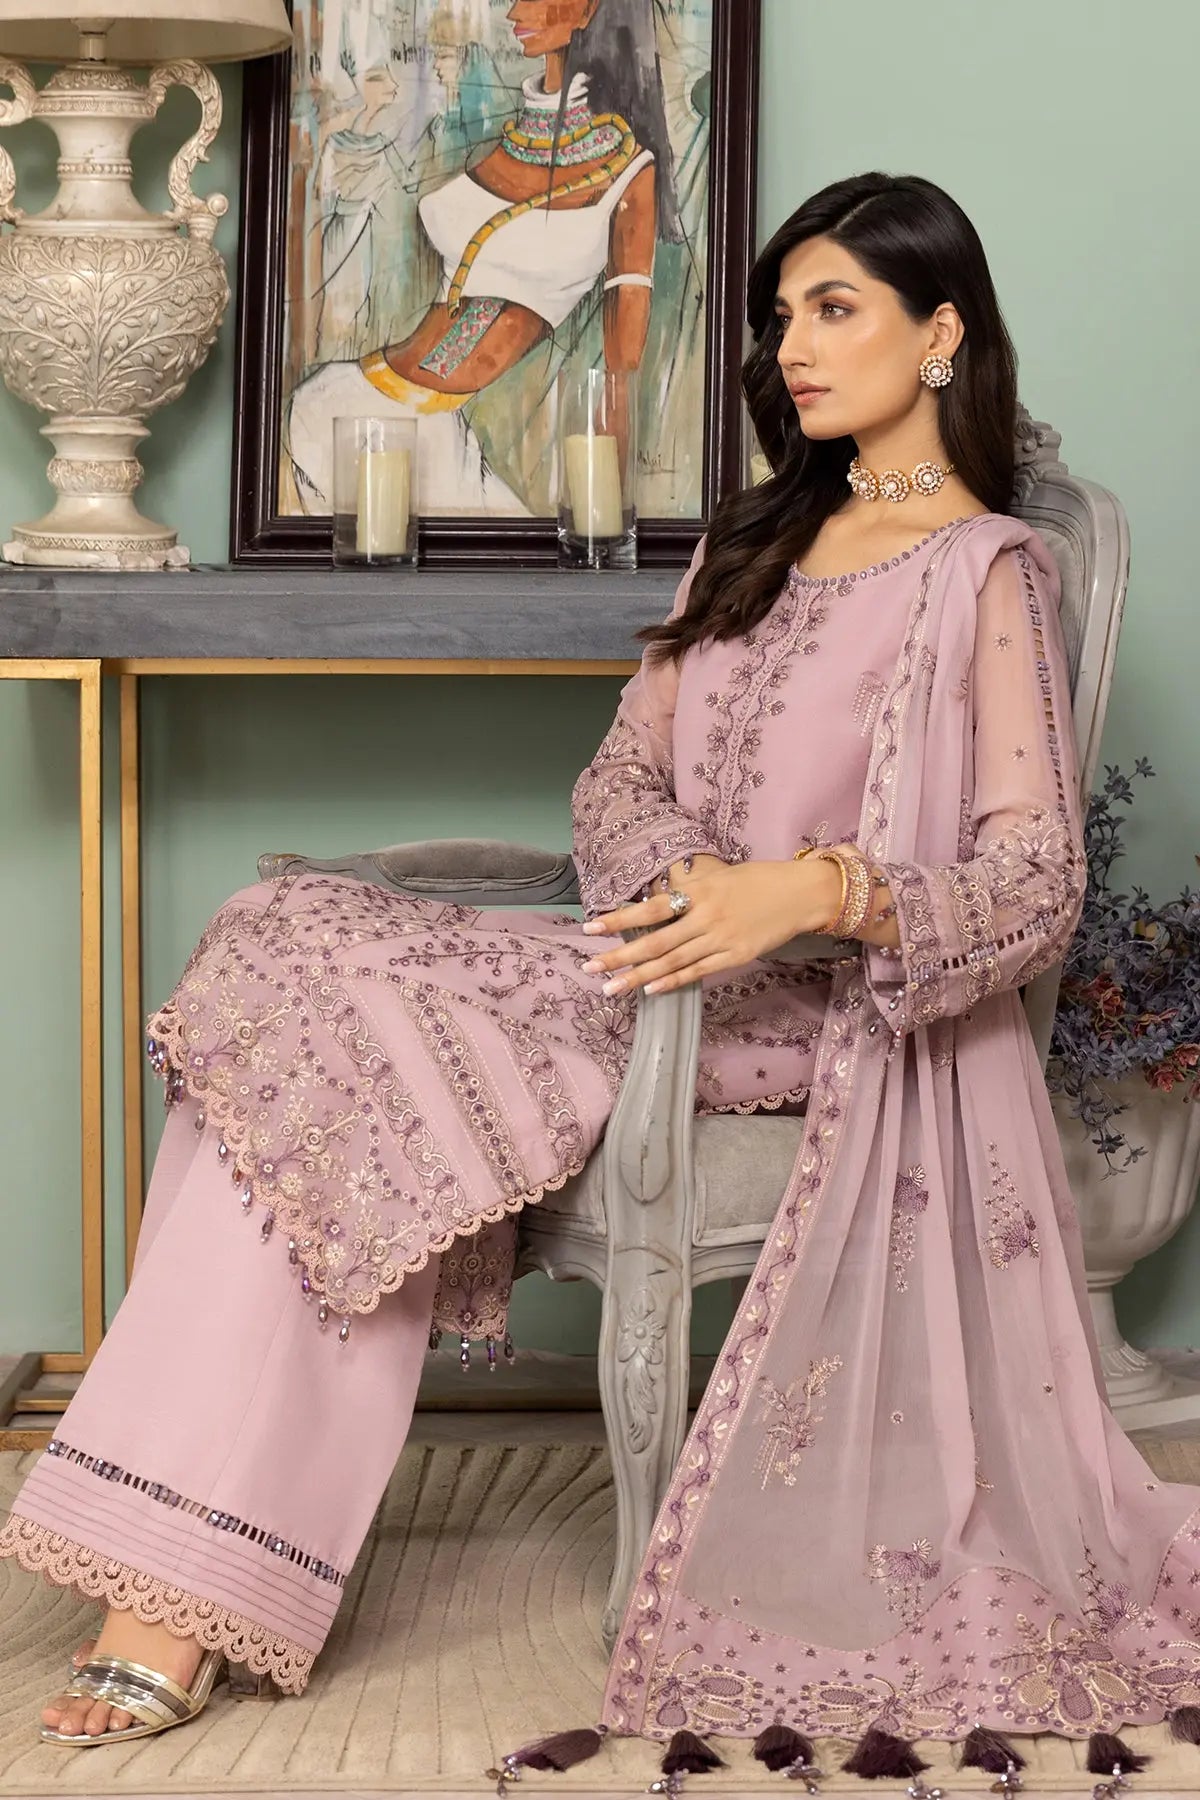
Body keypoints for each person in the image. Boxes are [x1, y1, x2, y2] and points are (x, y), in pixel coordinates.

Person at [6, 170, 1199, 1784]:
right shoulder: (753, 545)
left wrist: (808, 892)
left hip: (800, 1018)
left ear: (941, 334)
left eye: (834, 309)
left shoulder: (987, 570)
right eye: (778, 317)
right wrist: (678, 884)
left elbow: (1033, 884)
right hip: (638, 965)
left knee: (328, 1012)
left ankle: (174, 1597)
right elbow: (618, 781)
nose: (791, 347)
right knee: (278, 946)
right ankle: (187, 1560)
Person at [284, 0, 680, 517]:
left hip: (431, 439)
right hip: (347, 406)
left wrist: (607, 522)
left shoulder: (627, 170)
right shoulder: (501, 141)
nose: (515, 11)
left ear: (589, 9)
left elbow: (619, 372)